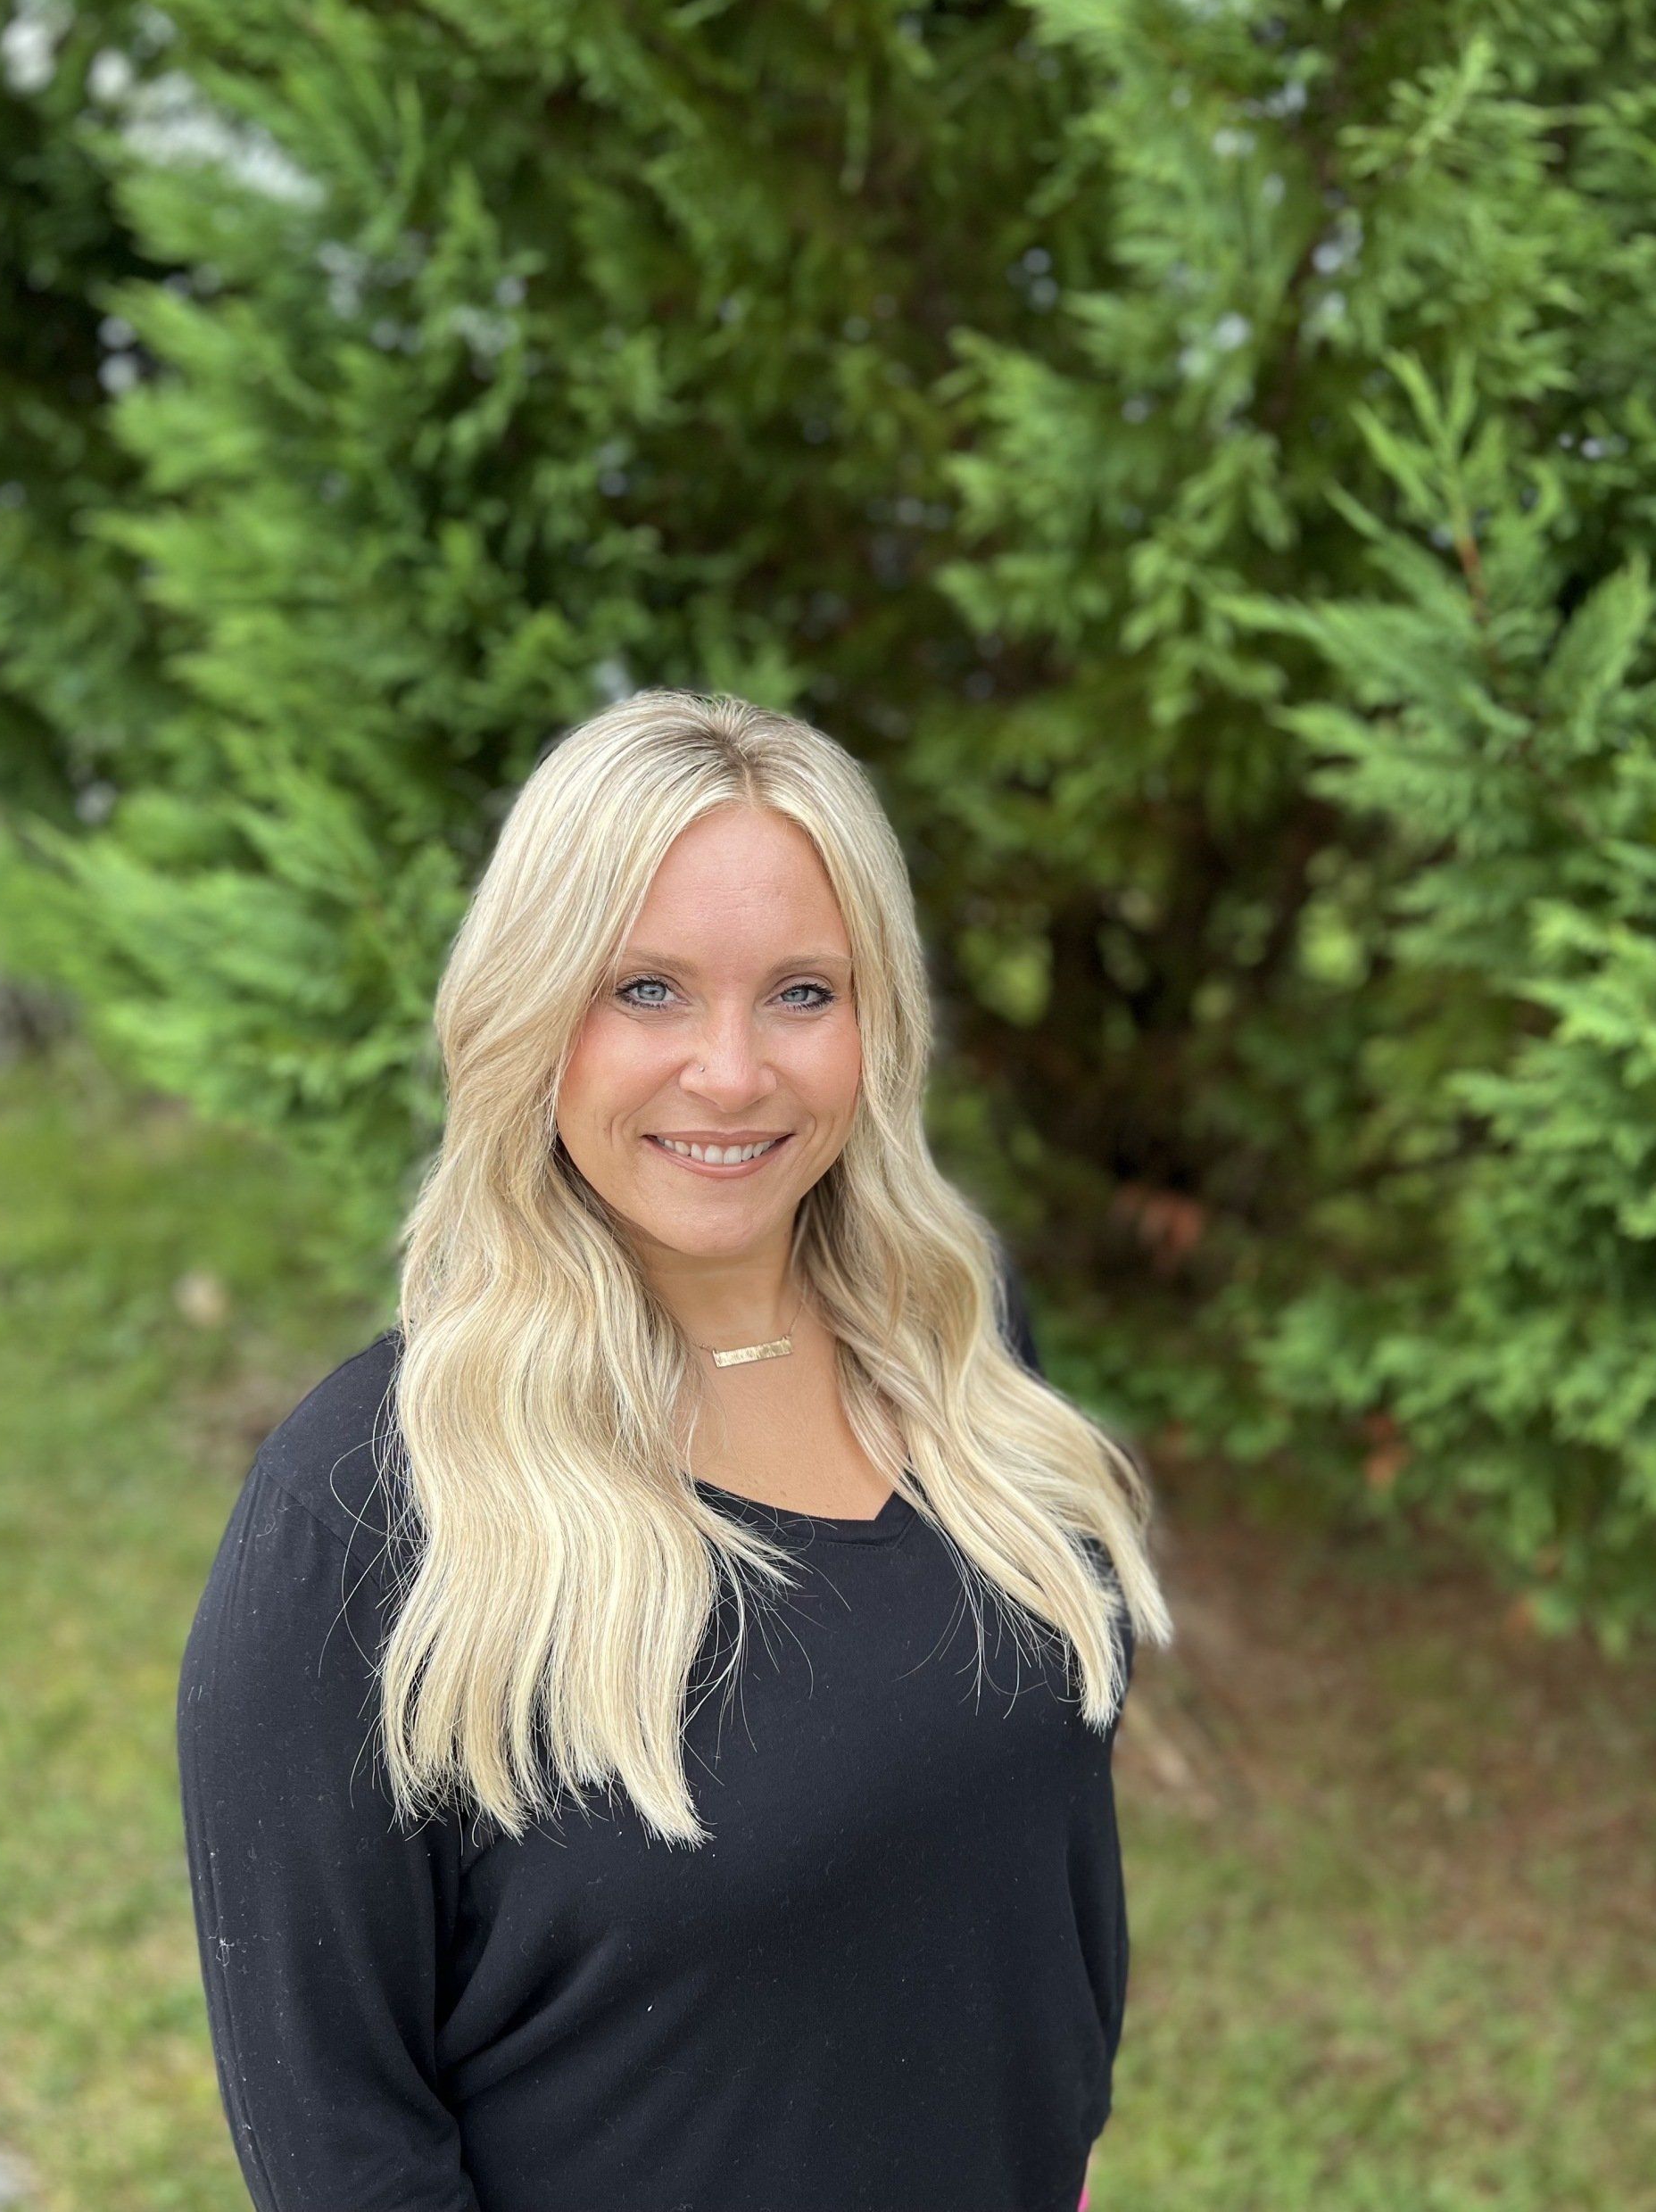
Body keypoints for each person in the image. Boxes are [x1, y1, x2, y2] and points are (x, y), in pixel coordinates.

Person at [177, 688, 1171, 2212]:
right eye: (645, 988)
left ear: (875, 1019)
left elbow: (1026, 1871)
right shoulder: (368, 1512)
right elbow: (339, 2144)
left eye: (800, 992)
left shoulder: (956, 1346)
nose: (729, 1071)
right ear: (531, 1009)